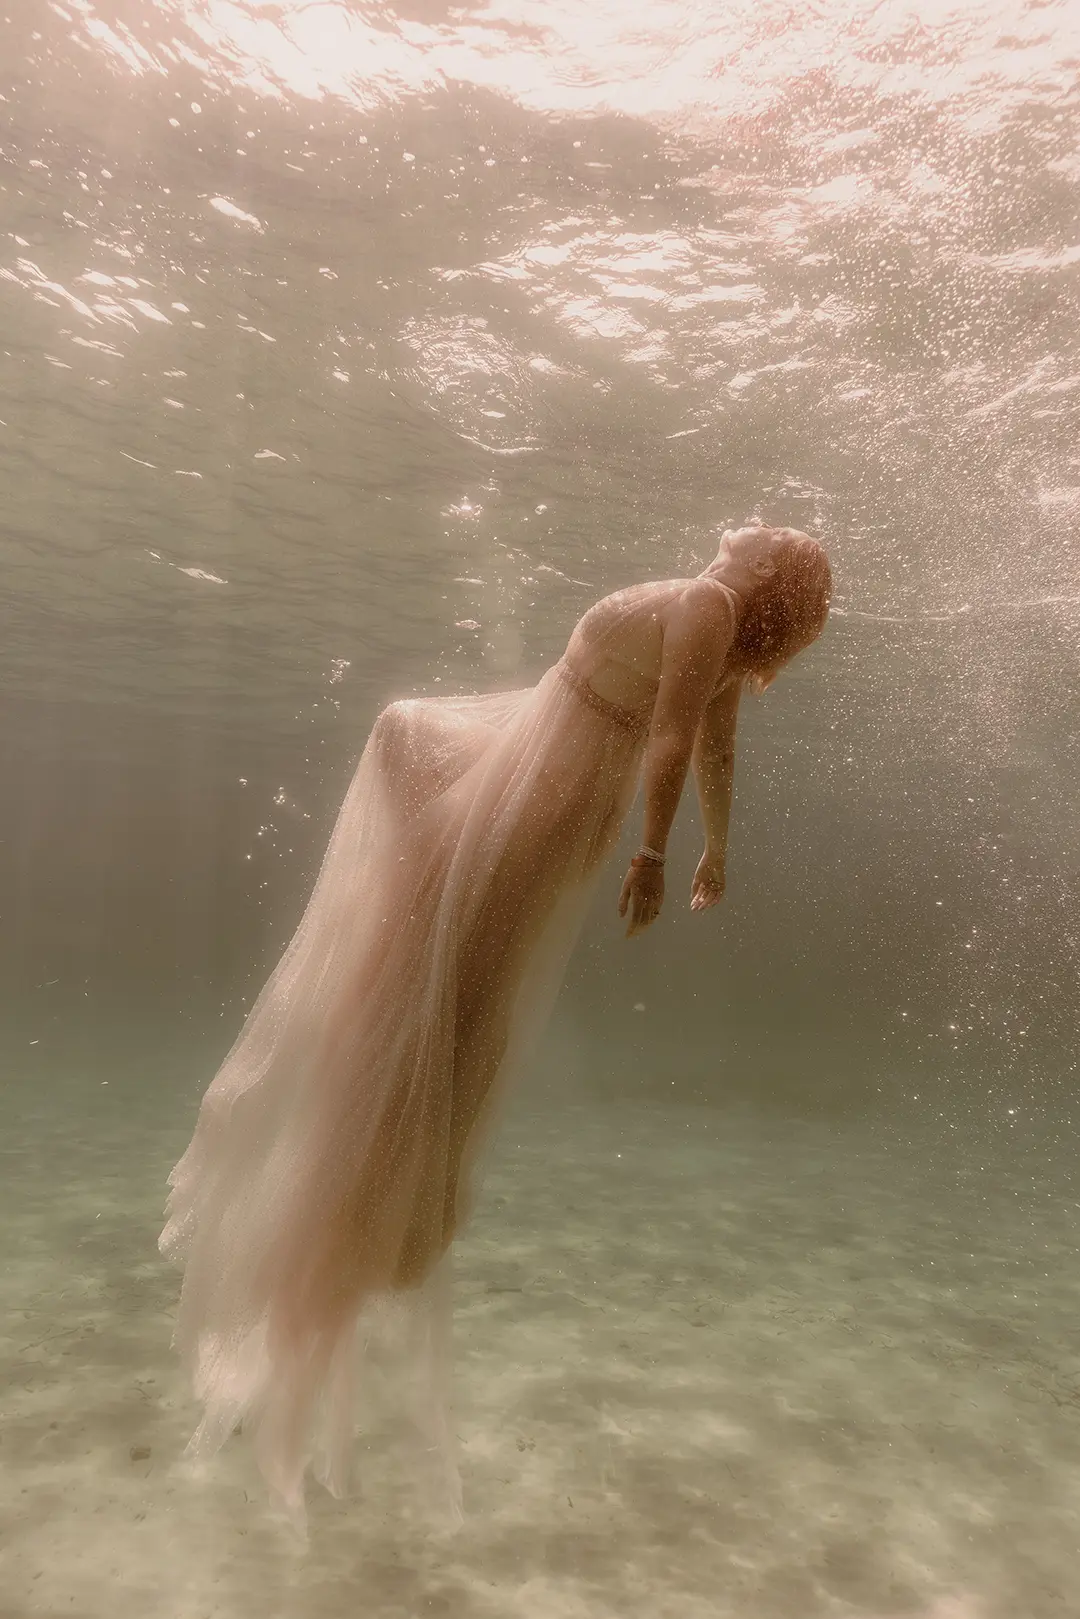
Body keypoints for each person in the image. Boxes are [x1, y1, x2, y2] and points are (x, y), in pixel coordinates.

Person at [160, 523, 831, 1521]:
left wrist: (658, 855)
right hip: (529, 775)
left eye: (768, 535)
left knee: (422, 984)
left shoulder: (706, 607)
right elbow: (712, 746)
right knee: (410, 841)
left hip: (534, 801)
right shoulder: (713, 620)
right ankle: (364, 1213)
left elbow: (680, 741)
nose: (749, 524)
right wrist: (712, 852)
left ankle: (350, 1227)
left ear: (768, 571)